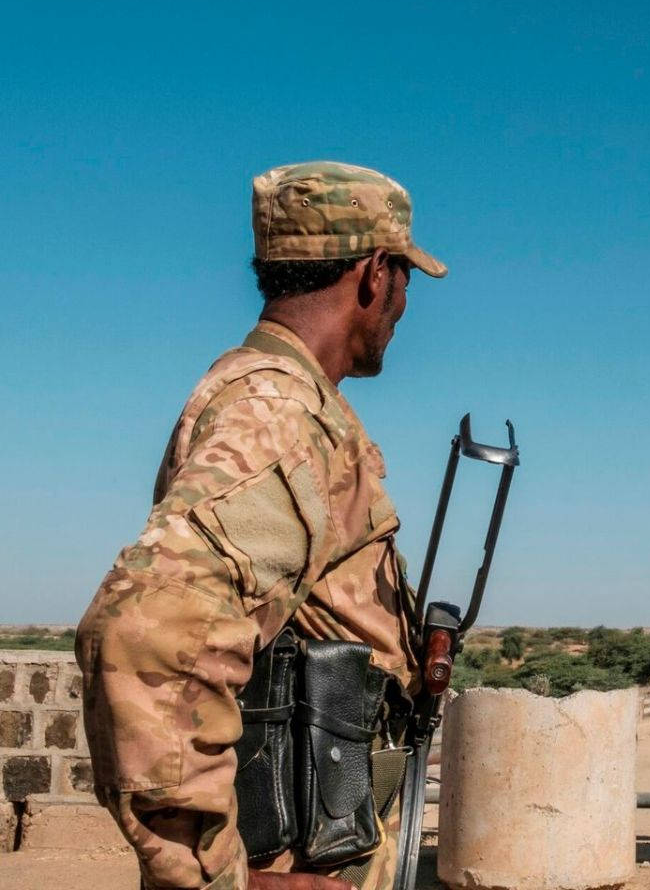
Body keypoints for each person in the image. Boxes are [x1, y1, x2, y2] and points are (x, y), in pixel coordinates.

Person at [76, 161, 448, 890]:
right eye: (404, 278)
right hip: (296, 850)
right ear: (375, 273)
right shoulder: (278, 414)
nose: (403, 302)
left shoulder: (281, 400)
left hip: (329, 831)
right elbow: (145, 627)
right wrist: (220, 879)